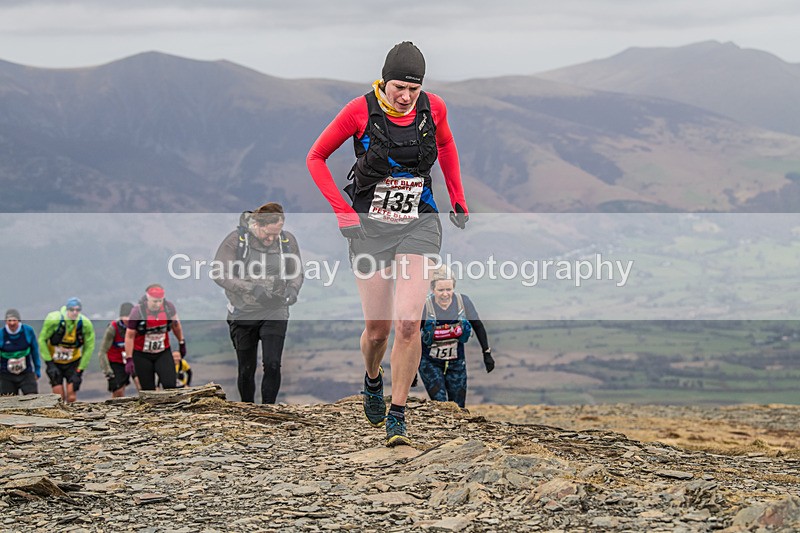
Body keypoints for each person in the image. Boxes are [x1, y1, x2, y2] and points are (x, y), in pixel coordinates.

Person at [307, 41, 469, 446]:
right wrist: (341, 211)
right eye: (399, 87)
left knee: (409, 322)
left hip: (420, 222)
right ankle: (372, 378)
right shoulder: (359, 111)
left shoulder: (434, 108)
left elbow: (446, 146)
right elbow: (316, 157)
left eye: (413, 89)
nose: (406, 96)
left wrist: (458, 196)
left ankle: (398, 412)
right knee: (378, 331)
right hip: (369, 229)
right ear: (384, 81)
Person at [213, 203, 303, 404]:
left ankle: (268, 409)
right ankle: (247, 407)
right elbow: (219, 273)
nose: (272, 239)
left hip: (275, 310)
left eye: (276, 234)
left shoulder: (286, 241)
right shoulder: (236, 241)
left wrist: (293, 289)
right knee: (246, 367)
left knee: (272, 363)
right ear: (257, 224)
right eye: (268, 234)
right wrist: (251, 288)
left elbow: (297, 272)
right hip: (243, 311)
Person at [418, 270, 494, 408]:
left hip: (457, 361)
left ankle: (457, 430)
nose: (445, 294)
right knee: (441, 404)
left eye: (449, 289)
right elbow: (411, 337)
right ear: (432, 289)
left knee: (458, 407)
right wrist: (410, 369)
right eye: (441, 290)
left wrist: (486, 352)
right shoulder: (425, 306)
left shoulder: (462, 302)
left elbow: (477, 325)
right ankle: (443, 429)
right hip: (429, 362)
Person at [124, 284, 186, 391]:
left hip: (162, 352)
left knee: (170, 384)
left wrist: (181, 342)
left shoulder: (169, 308)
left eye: (160, 301)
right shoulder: (137, 312)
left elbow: (176, 326)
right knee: (148, 389)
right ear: (148, 298)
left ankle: (171, 407)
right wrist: (129, 358)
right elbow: (129, 336)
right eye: (154, 301)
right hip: (141, 355)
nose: (157, 304)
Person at [39, 297, 95, 403]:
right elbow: (42, 340)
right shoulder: (54, 319)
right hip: (55, 362)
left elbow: (89, 347)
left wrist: (80, 370)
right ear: (67, 309)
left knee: (71, 397)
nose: (74, 313)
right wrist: (49, 363)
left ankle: (72, 417)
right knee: (58, 397)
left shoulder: (85, 324)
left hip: (73, 361)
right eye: (72, 310)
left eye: (77, 310)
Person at [0, 309, 41, 396]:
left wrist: (37, 370)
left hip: (26, 373)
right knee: (7, 402)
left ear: (19, 320)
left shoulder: (28, 331)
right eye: (9, 320)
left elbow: (35, 351)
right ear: (6, 321)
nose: (12, 323)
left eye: (14, 320)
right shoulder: (1, 334)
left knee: (33, 398)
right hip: (6, 375)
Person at [98, 302, 134, 398]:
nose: (127, 319)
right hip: (116, 362)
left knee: (141, 384)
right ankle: (115, 410)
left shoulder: (137, 326)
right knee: (118, 390)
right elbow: (102, 351)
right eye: (124, 316)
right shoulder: (113, 328)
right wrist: (107, 371)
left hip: (132, 360)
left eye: (129, 316)